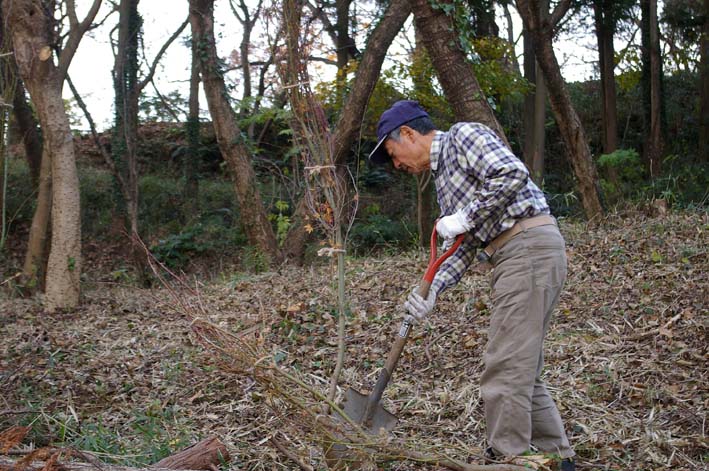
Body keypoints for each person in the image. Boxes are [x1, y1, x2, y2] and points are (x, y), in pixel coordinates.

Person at [369, 100, 575, 470]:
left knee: (505, 366)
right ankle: (557, 459)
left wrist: (466, 216)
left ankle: (508, 458)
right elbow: (460, 247)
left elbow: (511, 174)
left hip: (525, 246)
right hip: (515, 252)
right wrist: (432, 290)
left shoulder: (463, 136)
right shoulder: (444, 178)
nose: (396, 165)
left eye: (393, 153)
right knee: (522, 366)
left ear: (410, 134)